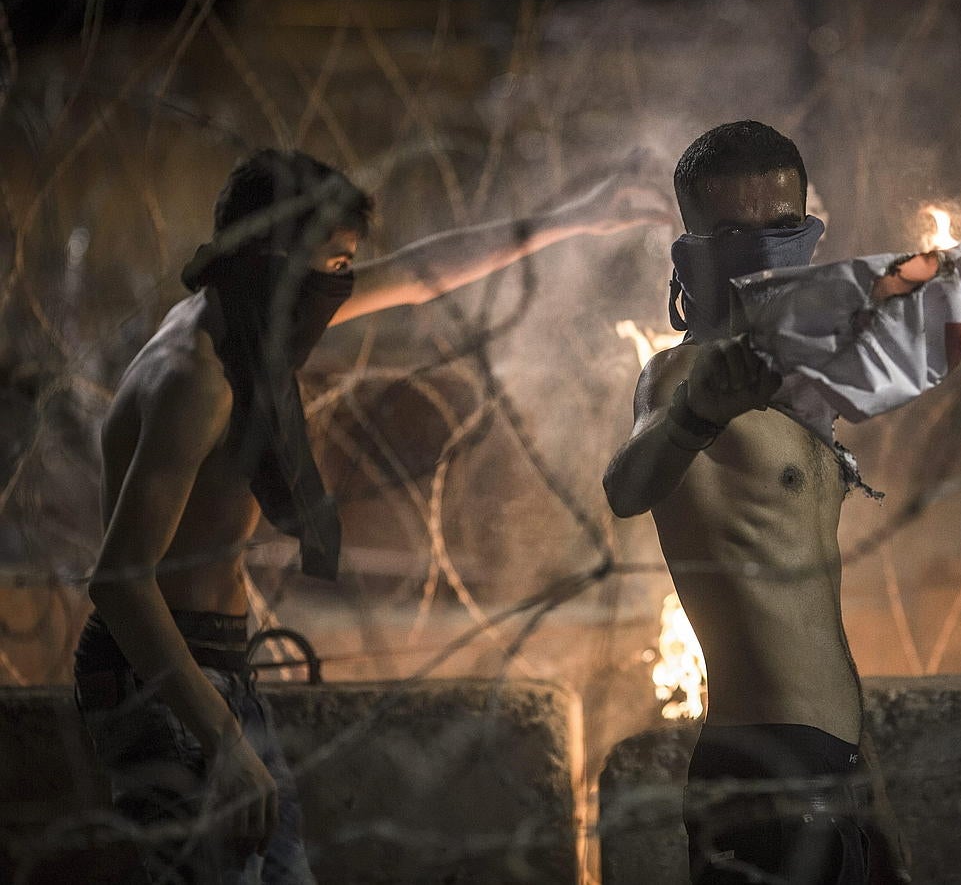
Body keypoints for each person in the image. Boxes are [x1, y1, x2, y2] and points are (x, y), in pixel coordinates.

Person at [77, 147, 668, 883]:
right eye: (333, 263)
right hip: (165, 680)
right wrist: (223, 739)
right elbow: (121, 581)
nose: (343, 284)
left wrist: (574, 219)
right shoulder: (197, 377)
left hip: (218, 667)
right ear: (275, 256)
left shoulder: (252, 317)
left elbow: (423, 275)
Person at [604, 121, 910, 885]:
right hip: (762, 777)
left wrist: (877, 818)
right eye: (736, 233)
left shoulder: (808, 386)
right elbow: (626, 486)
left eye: (782, 228)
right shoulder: (681, 376)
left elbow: (817, 619)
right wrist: (697, 415)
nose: (765, 249)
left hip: (833, 775)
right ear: (691, 252)